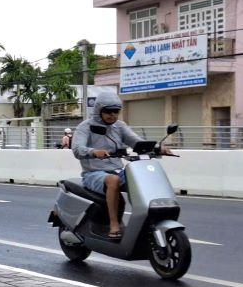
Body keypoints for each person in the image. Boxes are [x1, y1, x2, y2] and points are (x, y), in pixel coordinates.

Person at [71, 93, 171, 239]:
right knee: (113, 181)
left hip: (117, 170)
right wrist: (93, 152)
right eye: (108, 111)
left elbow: (136, 141)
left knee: (139, 177)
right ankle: (114, 224)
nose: (112, 115)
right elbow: (77, 149)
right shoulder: (86, 127)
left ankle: (147, 218)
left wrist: (157, 148)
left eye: (116, 111)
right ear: (99, 110)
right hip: (93, 173)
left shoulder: (119, 126)